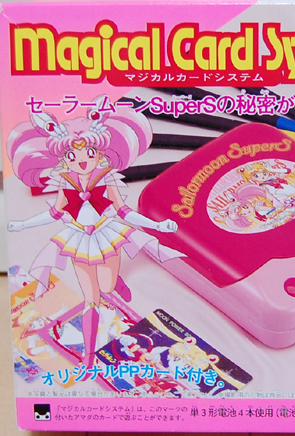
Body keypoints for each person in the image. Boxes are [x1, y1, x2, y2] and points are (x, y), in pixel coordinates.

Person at [7, 95, 183, 371]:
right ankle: (89, 356)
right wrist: (22, 224)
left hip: (106, 235)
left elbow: (123, 210)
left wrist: (157, 226)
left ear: (100, 154)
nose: (82, 161)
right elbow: (54, 213)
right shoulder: (65, 183)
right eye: (72, 156)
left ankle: (116, 282)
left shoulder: (107, 177)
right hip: (78, 239)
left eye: (89, 154)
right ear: (63, 158)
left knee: (108, 287)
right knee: (92, 301)